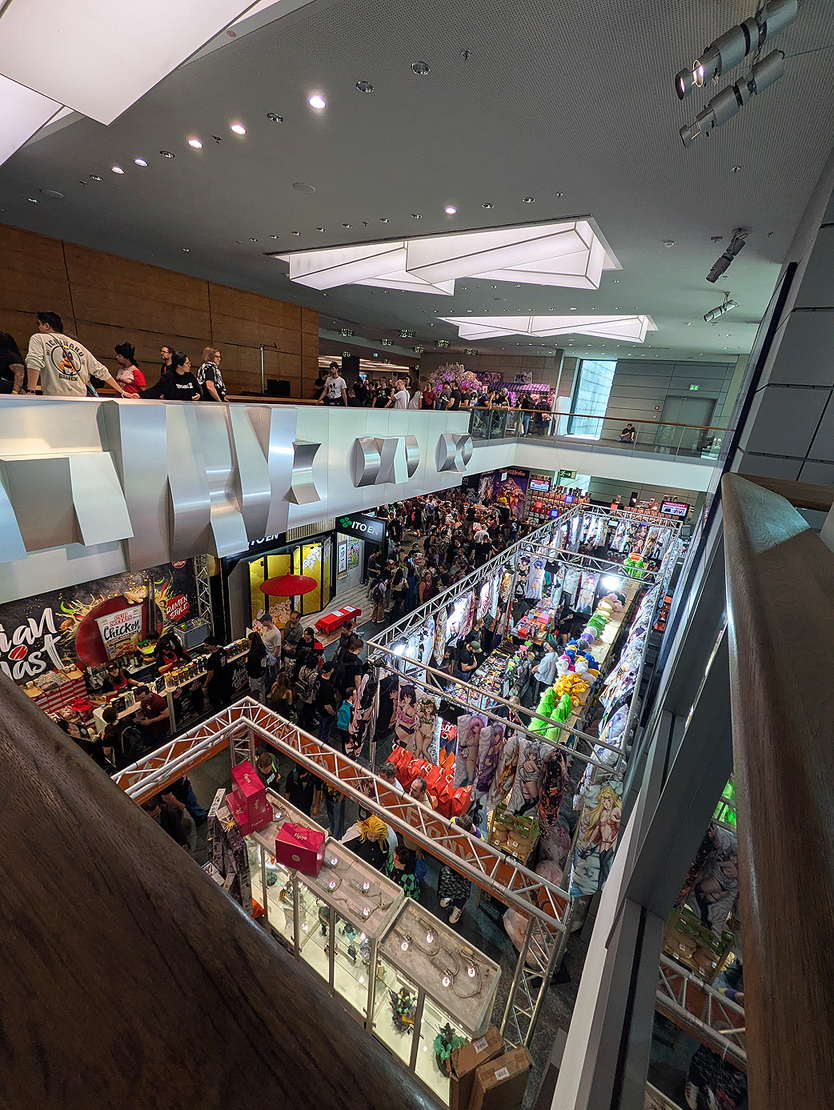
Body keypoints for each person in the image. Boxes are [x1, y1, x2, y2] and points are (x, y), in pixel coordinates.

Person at [24, 312, 133, 398]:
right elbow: (101, 370)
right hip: (81, 398)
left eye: (39, 324)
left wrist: (31, 391)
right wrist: (122, 392)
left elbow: (34, 362)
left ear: (47, 325)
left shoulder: (38, 338)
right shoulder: (77, 345)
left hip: (55, 397)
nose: (39, 328)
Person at [438, 813, 482, 923]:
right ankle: (449, 896)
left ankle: (459, 907)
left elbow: (479, 859)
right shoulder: (454, 820)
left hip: (465, 868)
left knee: (462, 888)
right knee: (448, 880)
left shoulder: (479, 839)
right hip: (453, 860)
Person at [202, 636, 230, 711]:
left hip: (216, 683)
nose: (205, 647)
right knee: (226, 699)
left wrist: (205, 685)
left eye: (207, 646)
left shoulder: (212, 659)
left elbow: (210, 674)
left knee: (215, 702)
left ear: (213, 646)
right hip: (225, 678)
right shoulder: (222, 651)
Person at [316, 659, 339, 745]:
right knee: (325, 729)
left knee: (321, 727)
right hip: (326, 713)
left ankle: (319, 740)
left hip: (319, 707)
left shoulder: (318, 678)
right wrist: (333, 713)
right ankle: (323, 743)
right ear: (331, 670)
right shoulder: (327, 687)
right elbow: (327, 706)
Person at [245, 630, 267, 699]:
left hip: (255, 676)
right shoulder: (262, 646)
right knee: (262, 690)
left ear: (252, 641)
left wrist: (247, 663)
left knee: (256, 693)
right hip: (262, 671)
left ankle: (258, 706)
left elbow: (252, 668)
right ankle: (263, 704)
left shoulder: (252, 654)